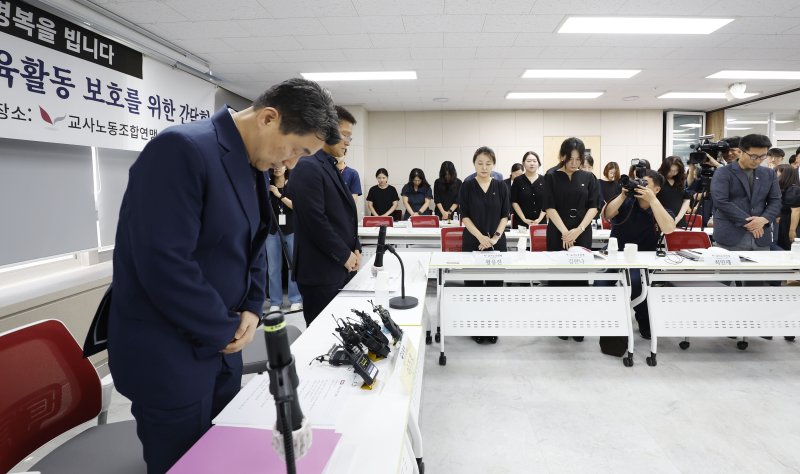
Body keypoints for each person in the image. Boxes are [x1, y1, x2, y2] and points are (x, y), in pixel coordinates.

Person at [106, 78, 339, 473]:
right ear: (269, 118)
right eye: (297, 149)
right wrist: (225, 328)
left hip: (220, 350)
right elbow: (163, 262)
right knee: (182, 464)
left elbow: (252, 245)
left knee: (219, 459)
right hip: (170, 356)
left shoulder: (251, 165)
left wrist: (251, 307)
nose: (293, 164)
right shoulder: (182, 150)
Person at [291, 105, 362, 325]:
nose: (348, 142)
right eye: (345, 135)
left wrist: (356, 246)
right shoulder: (307, 166)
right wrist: (345, 255)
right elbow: (315, 221)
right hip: (320, 272)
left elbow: (343, 216)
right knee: (323, 339)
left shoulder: (330, 166)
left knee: (341, 334)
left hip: (337, 268)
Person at [603, 170, 676, 338]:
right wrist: (622, 195)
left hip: (641, 261)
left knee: (636, 283)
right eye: (638, 182)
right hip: (615, 257)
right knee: (601, 284)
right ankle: (606, 324)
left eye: (645, 184)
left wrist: (652, 200)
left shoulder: (660, 209)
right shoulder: (627, 204)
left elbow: (669, 228)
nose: (639, 187)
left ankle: (644, 322)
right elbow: (608, 214)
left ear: (657, 189)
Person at [459, 146, 510, 344]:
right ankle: (476, 326)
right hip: (473, 242)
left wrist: (495, 239)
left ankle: (492, 326)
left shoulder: (501, 186)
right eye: (480, 163)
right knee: (474, 286)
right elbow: (465, 216)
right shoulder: (467, 186)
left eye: (488, 163)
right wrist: (481, 237)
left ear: (493, 164)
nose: (484, 167)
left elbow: (505, 215)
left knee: (494, 287)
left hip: (497, 243)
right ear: (474, 164)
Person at [710, 134, 781, 252]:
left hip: (761, 237)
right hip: (730, 236)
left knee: (763, 270)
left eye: (762, 156)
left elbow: (776, 200)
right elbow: (721, 202)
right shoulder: (723, 172)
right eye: (754, 156)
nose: (758, 160)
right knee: (730, 270)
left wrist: (763, 219)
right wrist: (752, 223)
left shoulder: (769, 173)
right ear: (741, 151)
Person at [543, 137, 599, 251]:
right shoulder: (551, 176)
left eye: (578, 159)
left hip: (582, 231)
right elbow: (549, 206)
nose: (574, 163)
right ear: (563, 156)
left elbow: (594, 206)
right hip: (558, 231)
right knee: (557, 265)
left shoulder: (589, 177)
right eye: (570, 159)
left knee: (582, 266)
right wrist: (566, 233)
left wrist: (579, 230)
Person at [266, 165, 302, 313]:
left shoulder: (293, 184)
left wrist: (278, 194)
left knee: (292, 266)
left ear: (286, 166)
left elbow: (296, 206)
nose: (277, 168)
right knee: (273, 268)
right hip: (272, 230)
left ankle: (295, 299)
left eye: (280, 164)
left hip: (291, 229)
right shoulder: (267, 184)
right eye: (274, 164)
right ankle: (275, 301)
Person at [510, 151, 546, 228]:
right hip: (521, 223)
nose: (532, 163)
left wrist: (539, 219)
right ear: (523, 163)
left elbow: (548, 201)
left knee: (539, 240)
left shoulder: (545, 180)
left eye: (534, 161)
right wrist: (524, 219)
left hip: (540, 222)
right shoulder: (517, 180)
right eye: (529, 161)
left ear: (538, 163)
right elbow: (514, 202)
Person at [657, 156, 691, 227]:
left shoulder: (680, 180)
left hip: (679, 219)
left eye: (676, 171)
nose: (673, 173)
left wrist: (678, 218)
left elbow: (686, 199)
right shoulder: (657, 179)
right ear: (664, 168)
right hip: (661, 219)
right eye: (670, 170)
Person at [775, 164, 800, 250]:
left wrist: (792, 230)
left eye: (777, 172)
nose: (775, 175)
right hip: (784, 222)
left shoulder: (793, 189)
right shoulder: (785, 188)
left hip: (789, 223)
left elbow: (796, 211)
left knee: (788, 248)